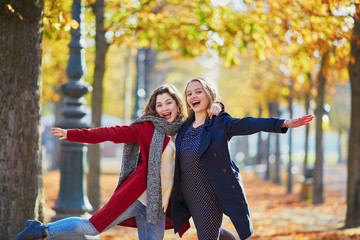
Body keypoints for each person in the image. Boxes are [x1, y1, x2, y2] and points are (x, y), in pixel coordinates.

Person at [16, 84, 223, 240]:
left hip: (158, 206)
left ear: (178, 105)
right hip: (134, 198)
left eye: (168, 103)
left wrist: (218, 105)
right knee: (92, 227)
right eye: (159, 105)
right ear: (155, 109)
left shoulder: (186, 129)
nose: (164, 108)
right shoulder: (146, 128)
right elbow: (109, 133)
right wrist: (72, 134)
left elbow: (207, 114)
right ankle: (42, 230)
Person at [170, 77, 314, 240]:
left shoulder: (220, 123)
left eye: (198, 92)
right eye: (189, 93)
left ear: (209, 94)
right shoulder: (184, 126)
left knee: (207, 236)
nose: (193, 96)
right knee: (211, 232)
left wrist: (284, 123)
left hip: (211, 191)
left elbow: (251, 123)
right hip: (189, 193)